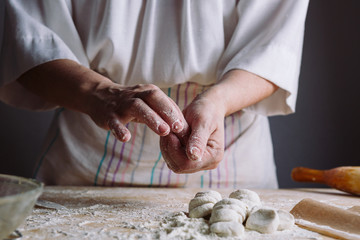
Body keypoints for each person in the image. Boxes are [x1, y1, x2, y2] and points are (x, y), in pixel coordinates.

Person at [0, 0, 309, 188]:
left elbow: (273, 48)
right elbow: (30, 40)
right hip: (87, 156)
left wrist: (218, 102)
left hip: (228, 152)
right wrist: (102, 93)